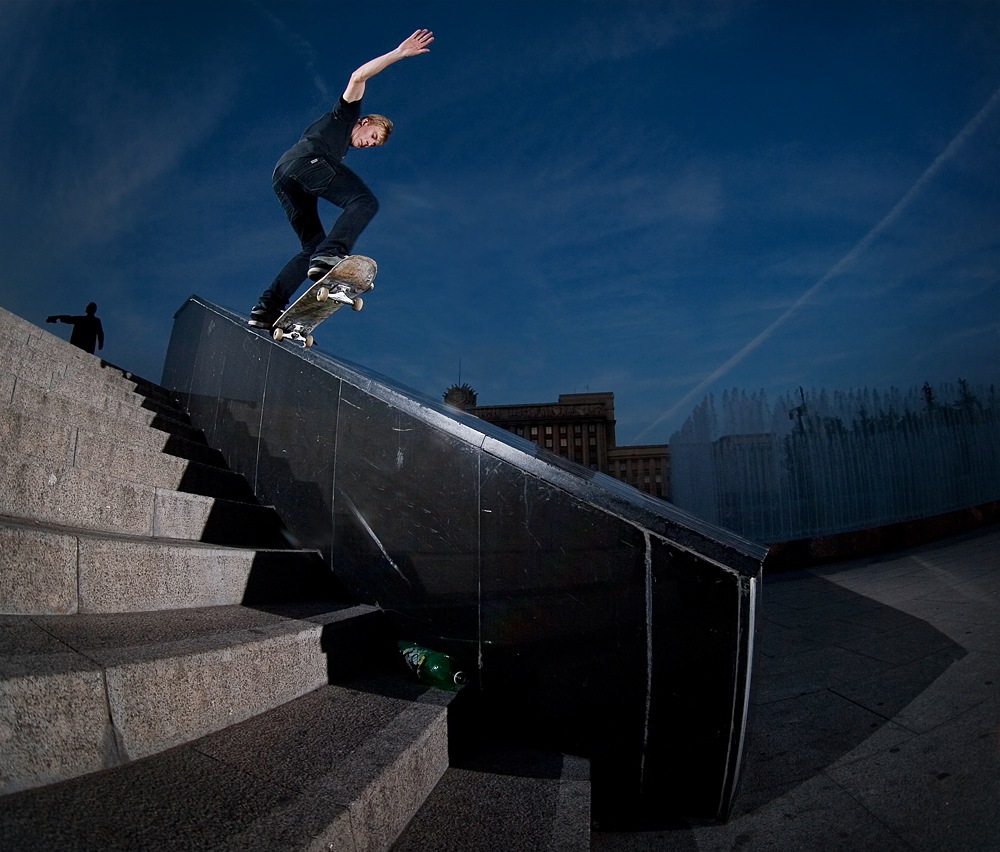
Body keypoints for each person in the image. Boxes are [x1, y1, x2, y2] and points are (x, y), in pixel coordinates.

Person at [249, 28, 434, 328]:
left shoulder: (339, 147)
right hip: (306, 163)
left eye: (373, 145)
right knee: (363, 201)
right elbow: (357, 76)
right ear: (364, 122)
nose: (368, 143)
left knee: (310, 248)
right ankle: (331, 254)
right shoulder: (345, 115)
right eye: (371, 136)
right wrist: (399, 53)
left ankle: (267, 309)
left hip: (284, 178)